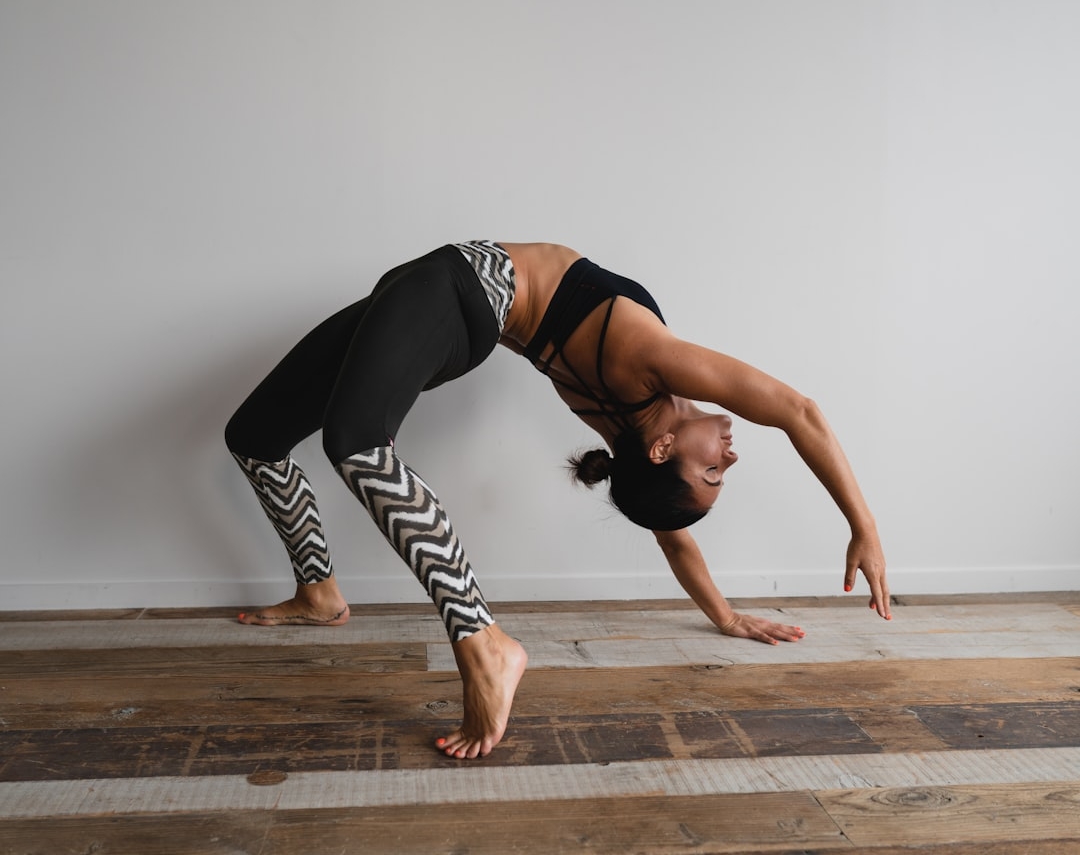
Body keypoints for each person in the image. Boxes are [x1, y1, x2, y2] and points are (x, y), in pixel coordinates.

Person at [224, 241, 890, 760]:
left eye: (713, 474)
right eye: (721, 474)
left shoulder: (650, 371)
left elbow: (792, 415)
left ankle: (482, 641)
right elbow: (786, 420)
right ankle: (319, 592)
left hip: (459, 289)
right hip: (430, 289)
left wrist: (736, 609)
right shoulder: (633, 417)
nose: (729, 458)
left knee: (357, 441)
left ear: (663, 453)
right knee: (255, 437)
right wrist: (857, 528)